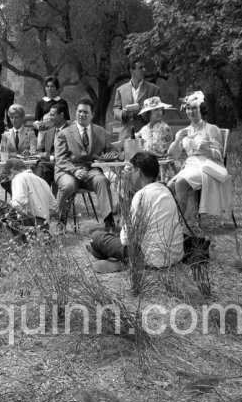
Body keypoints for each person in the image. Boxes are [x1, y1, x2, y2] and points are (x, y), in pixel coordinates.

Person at [85, 152, 184, 272]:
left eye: (131, 170)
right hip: (175, 256)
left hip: (149, 259)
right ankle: (115, 259)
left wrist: (122, 231)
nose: (130, 174)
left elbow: (126, 239)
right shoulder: (167, 190)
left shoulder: (141, 195)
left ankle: (117, 259)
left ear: (138, 172)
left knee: (97, 237)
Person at [167, 91, 233, 219]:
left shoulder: (211, 128)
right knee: (169, 186)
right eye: (188, 108)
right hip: (191, 165)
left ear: (201, 109)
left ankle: (179, 222)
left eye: (194, 108)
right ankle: (176, 218)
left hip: (207, 165)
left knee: (180, 182)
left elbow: (219, 154)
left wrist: (200, 147)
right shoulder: (184, 131)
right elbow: (173, 155)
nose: (191, 111)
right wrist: (177, 140)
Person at [54, 97, 115, 231]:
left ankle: (109, 223)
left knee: (102, 181)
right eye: (79, 111)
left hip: (91, 170)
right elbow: (60, 159)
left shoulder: (102, 133)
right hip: (68, 170)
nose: (82, 115)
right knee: (68, 185)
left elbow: (112, 151)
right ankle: (60, 222)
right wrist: (75, 171)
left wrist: (111, 155)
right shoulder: (64, 134)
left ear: (92, 115)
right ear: (75, 113)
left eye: (86, 112)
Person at [0, 158, 57, 241]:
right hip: (44, 227)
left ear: (12, 172)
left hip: (32, 227)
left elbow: (17, 202)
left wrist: (5, 216)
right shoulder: (42, 181)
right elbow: (54, 208)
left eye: (9, 177)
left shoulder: (18, 178)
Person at [113, 58, 160, 141]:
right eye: (140, 68)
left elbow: (158, 110)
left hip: (146, 135)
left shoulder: (154, 89)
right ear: (132, 71)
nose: (144, 70)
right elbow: (116, 110)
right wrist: (122, 113)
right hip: (126, 135)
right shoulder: (120, 90)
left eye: (144, 67)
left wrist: (143, 111)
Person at [0, 104, 36, 196]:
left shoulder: (30, 133)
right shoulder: (6, 134)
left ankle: (17, 200)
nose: (14, 120)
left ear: (22, 118)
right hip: (10, 170)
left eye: (17, 117)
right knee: (5, 179)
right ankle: (17, 198)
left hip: (25, 168)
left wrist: (29, 154)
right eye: (11, 117)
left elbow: (34, 151)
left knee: (21, 180)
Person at [33, 103, 70, 187]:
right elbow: (40, 150)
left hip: (66, 166)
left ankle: (38, 195)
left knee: (41, 166)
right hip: (50, 167)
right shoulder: (49, 132)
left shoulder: (72, 131)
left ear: (61, 115)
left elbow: (72, 153)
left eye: (52, 115)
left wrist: (49, 157)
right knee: (37, 167)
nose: (49, 117)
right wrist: (37, 154)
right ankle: (41, 196)